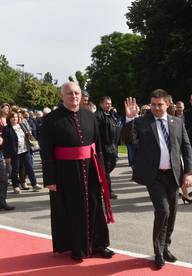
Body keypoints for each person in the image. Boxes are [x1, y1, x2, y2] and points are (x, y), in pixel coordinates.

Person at [40, 82, 114, 261]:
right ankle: (78, 248)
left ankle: (99, 244)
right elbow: (46, 151)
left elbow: (98, 146)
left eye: (77, 93)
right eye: (70, 93)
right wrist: (50, 178)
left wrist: (102, 171)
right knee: (73, 209)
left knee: (95, 206)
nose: (74, 96)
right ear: (62, 96)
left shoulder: (90, 116)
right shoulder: (51, 119)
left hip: (91, 169)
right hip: (66, 172)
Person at [123, 89, 192, 269]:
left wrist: (188, 173)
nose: (156, 108)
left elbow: (186, 148)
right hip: (153, 176)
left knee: (172, 214)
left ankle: (166, 245)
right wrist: (130, 119)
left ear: (167, 104)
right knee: (163, 211)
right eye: (153, 104)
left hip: (173, 174)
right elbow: (128, 140)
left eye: (159, 104)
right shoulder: (141, 122)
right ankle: (158, 251)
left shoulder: (177, 122)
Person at [2, 111, 41, 194]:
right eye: (13, 118)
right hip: (14, 153)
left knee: (30, 167)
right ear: (9, 119)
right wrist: (7, 156)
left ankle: (34, 184)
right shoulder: (6, 129)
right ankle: (15, 186)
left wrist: (29, 134)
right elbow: (5, 144)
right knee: (15, 170)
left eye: (16, 117)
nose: (15, 119)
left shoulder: (21, 125)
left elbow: (27, 136)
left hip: (25, 150)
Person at [95, 96, 121, 199]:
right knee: (105, 171)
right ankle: (107, 191)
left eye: (110, 103)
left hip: (112, 147)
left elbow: (117, 125)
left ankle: (104, 189)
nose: (109, 105)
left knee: (110, 168)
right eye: (106, 103)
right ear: (101, 104)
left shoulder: (111, 114)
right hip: (103, 148)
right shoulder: (98, 115)